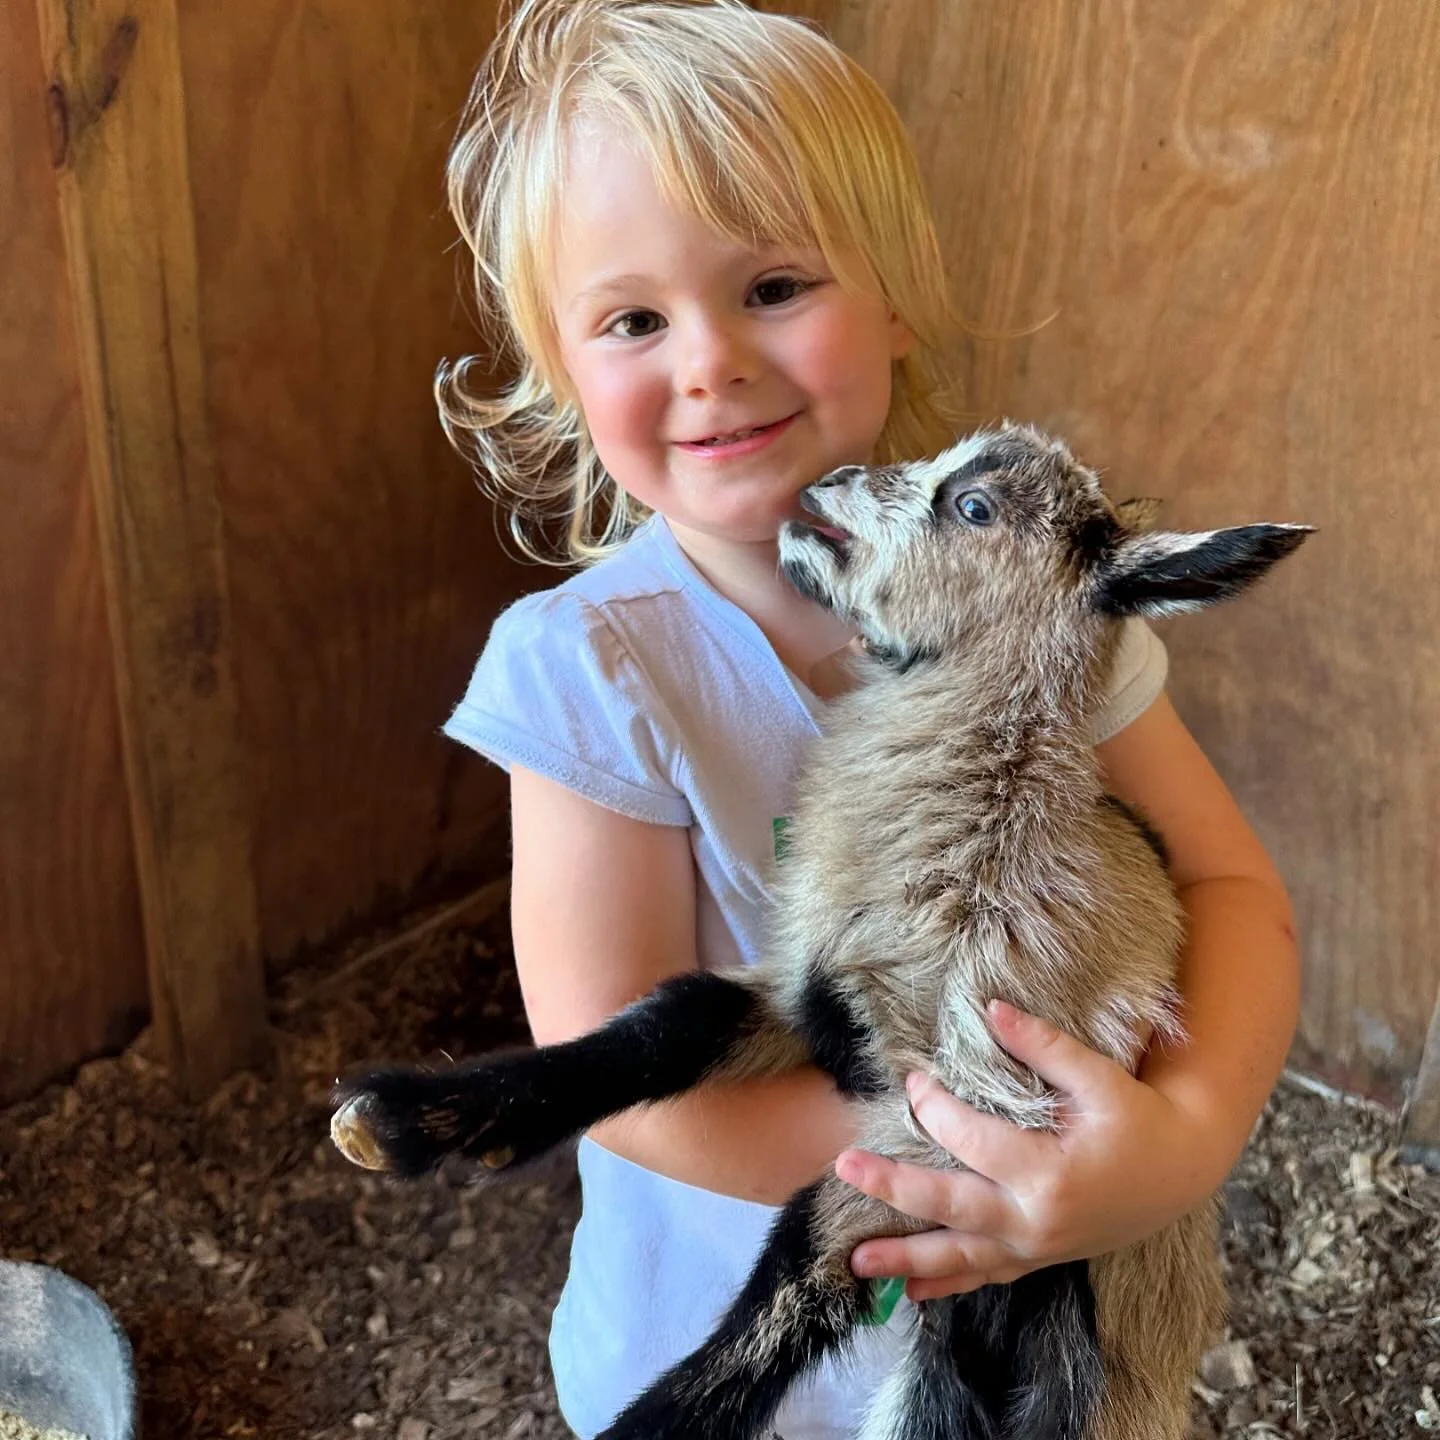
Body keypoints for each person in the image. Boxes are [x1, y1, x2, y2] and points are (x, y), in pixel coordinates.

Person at [435, 2, 1301, 1435]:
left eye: (773, 284)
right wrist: (971, 1165)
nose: (706, 359)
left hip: (1041, 1320)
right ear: (564, 373)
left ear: (893, 299)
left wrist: (1176, 1146)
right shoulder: (592, 667)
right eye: (634, 320)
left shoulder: (1039, 602)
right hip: (741, 1350)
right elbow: (624, 1065)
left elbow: (1229, 886)